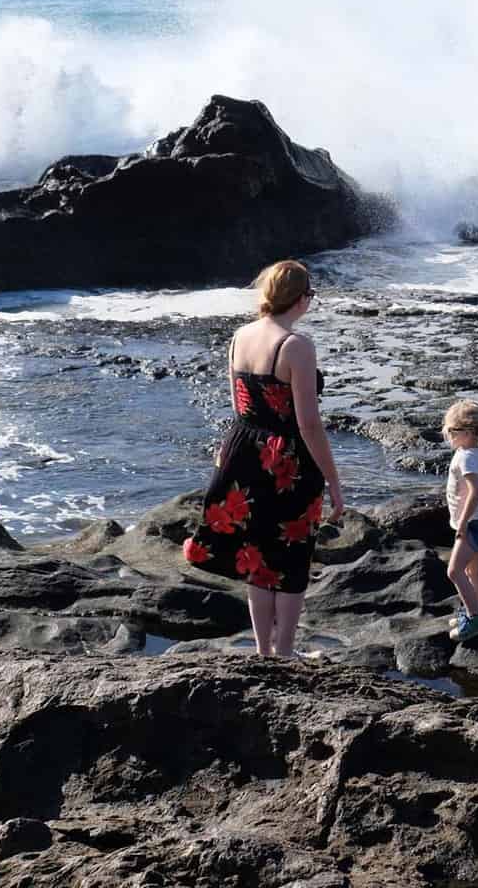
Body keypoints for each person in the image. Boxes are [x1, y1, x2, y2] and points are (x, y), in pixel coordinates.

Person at [183, 260, 344, 658]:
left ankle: (263, 652)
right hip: (287, 461)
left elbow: (239, 405)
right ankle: (285, 651)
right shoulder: (296, 346)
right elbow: (308, 424)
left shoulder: (239, 336)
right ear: (302, 298)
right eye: (311, 295)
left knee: (256, 553)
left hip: (243, 451)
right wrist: (335, 481)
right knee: (290, 556)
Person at [443, 399, 478, 642]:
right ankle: (474, 611)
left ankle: (475, 619)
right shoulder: (470, 452)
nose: (447, 436)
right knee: (472, 569)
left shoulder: (465, 457)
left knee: (454, 572)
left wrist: (463, 522)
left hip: (474, 524)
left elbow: (475, 491)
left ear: (466, 433)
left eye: (451, 431)